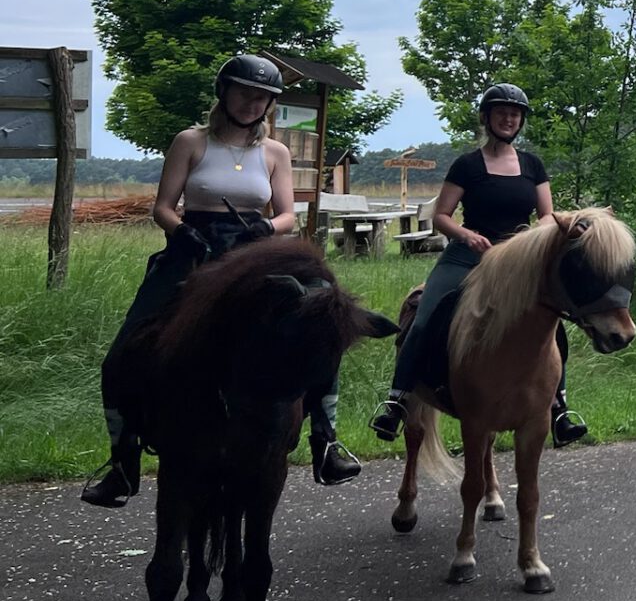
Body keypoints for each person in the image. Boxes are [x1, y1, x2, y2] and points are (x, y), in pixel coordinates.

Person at [82, 54, 361, 507]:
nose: (254, 104)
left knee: (323, 321)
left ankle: (325, 442)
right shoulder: (190, 141)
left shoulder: (275, 153)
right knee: (121, 354)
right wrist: (181, 230)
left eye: (263, 98)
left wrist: (267, 230)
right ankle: (122, 461)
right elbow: (163, 206)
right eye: (246, 93)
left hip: (255, 252)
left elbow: (288, 214)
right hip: (194, 248)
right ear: (224, 94)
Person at [367, 84, 588, 444]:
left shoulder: (532, 165)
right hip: (467, 256)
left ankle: (559, 405)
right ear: (487, 117)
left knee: (552, 322)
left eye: (515, 114)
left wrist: (526, 242)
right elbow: (441, 216)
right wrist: (466, 235)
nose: (508, 118)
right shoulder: (467, 165)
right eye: (501, 112)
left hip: (514, 262)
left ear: (521, 122)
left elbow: (548, 215)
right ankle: (398, 401)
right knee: (427, 315)